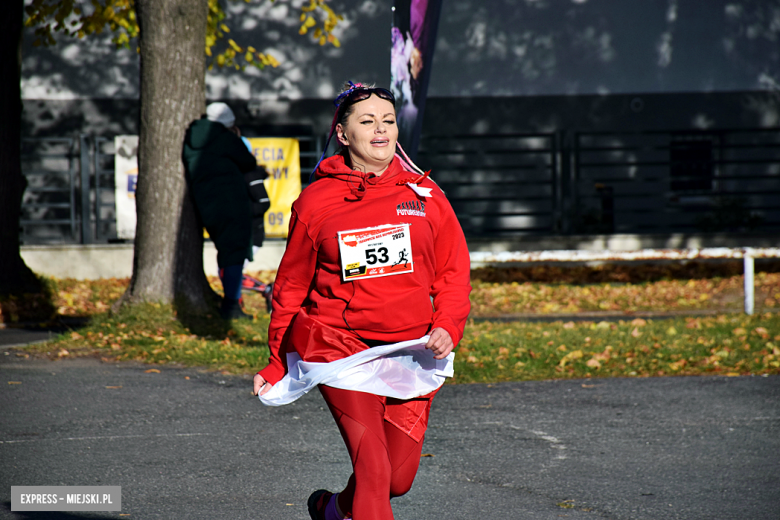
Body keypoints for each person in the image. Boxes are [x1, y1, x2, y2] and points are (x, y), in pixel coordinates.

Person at [252, 82, 471, 520]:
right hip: (339, 350)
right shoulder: (316, 202)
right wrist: (278, 360)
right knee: (373, 471)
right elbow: (290, 288)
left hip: (411, 351)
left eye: (388, 121)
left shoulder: (425, 195)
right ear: (342, 133)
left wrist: (447, 323)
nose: (380, 131)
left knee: (397, 480)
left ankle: (332, 510)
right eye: (367, 121)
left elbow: (453, 271)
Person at [183, 102, 258, 320]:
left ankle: (230, 302)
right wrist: (234, 136)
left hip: (205, 203)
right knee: (234, 251)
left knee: (225, 250)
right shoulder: (224, 138)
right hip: (230, 202)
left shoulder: (192, 138)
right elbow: (248, 161)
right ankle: (232, 306)